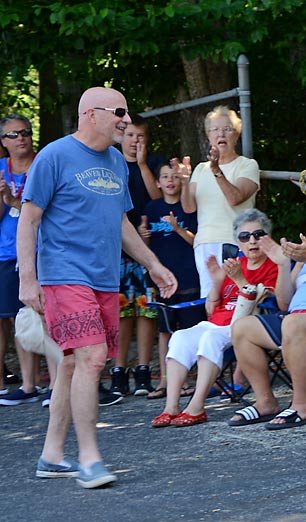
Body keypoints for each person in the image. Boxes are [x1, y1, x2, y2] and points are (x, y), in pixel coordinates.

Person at [18, 87, 178, 488]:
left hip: (105, 278)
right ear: (91, 114)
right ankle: (90, 459)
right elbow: (29, 219)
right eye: (119, 112)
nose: (126, 120)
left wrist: (154, 264)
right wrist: (28, 278)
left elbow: (122, 223)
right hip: (64, 274)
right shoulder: (54, 156)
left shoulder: (115, 161)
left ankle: (52, 455)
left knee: (73, 365)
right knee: (91, 359)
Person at [229, 190, 306, 429]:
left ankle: (304, 406)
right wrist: (283, 265)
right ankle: (265, 403)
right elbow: (285, 303)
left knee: (292, 323)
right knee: (242, 327)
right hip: (297, 320)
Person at [150, 208, 278, 428]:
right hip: (216, 322)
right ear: (238, 243)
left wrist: (238, 279)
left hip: (245, 325)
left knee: (210, 338)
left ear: (267, 237)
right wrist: (218, 281)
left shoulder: (273, 266)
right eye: (245, 237)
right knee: (180, 336)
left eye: (258, 234)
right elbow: (211, 308)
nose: (252, 241)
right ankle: (170, 407)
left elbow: (259, 303)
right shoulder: (235, 265)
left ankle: (196, 407)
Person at [101, 114, 165, 404]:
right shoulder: (109, 163)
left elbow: (156, 198)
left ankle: (142, 369)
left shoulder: (152, 165)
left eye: (140, 136)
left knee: (146, 311)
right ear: (121, 137)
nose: (135, 141)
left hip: (148, 249)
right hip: (117, 249)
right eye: (130, 136)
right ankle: (118, 369)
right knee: (121, 312)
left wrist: (141, 164)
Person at [0, 114, 55, 408]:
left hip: (43, 250)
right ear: (3, 142)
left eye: (25, 132)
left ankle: (56, 384)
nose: (21, 138)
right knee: (20, 318)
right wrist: (5, 198)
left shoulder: (44, 164)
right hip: (8, 253)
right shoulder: (0, 170)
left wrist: (13, 201)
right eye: (13, 134)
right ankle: (28, 383)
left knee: (47, 315)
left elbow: (47, 210)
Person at [180, 105, 260, 299]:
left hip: (235, 242)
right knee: (211, 301)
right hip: (204, 243)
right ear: (208, 135)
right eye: (215, 129)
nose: (221, 133)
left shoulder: (247, 165)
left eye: (227, 129)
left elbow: (235, 198)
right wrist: (184, 181)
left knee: (235, 299)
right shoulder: (200, 168)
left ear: (237, 134)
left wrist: (217, 170)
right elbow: (189, 208)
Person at [139, 162, 202, 400]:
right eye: (164, 176)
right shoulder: (152, 207)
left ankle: (187, 381)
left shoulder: (189, 208)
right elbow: (146, 249)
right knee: (165, 332)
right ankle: (165, 383)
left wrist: (177, 228)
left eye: (175, 176)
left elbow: (196, 241)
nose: (170, 181)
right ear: (157, 183)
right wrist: (143, 237)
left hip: (188, 277)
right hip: (163, 282)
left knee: (187, 332)